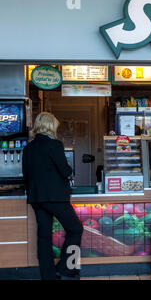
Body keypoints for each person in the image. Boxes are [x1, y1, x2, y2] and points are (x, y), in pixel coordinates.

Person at [22, 112, 83, 280]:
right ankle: (67, 269)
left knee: (44, 237)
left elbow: (26, 175)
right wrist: (68, 166)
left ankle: (48, 276)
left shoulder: (28, 148)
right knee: (76, 229)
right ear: (50, 126)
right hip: (55, 197)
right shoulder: (54, 145)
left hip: (36, 198)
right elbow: (66, 171)